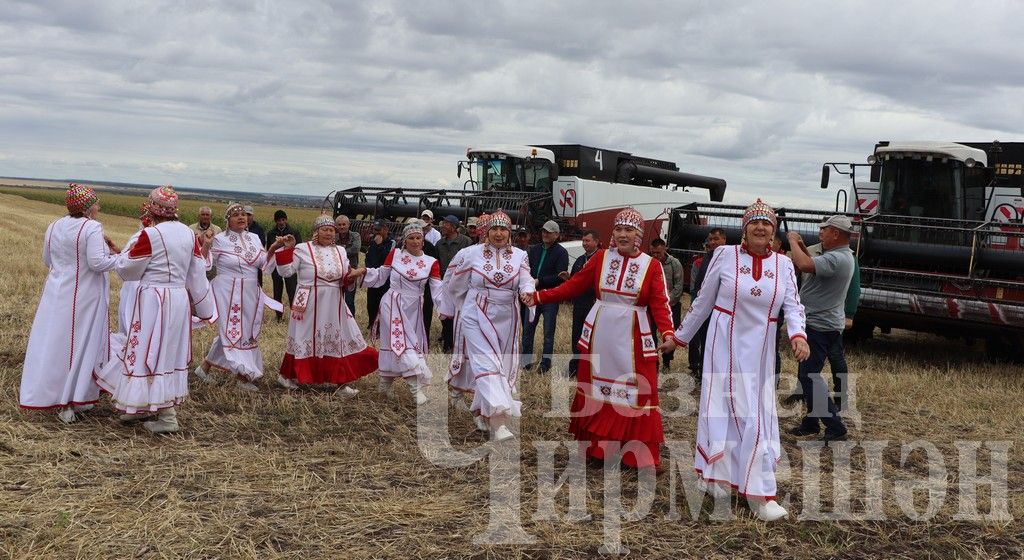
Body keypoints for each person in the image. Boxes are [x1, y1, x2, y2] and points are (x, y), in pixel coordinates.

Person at [662, 199, 809, 521]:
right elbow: (703, 300)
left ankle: (759, 493)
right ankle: (715, 475)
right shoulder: (725, 256)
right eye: (754, 223)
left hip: (759, 349)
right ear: (744, 228)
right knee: (720, 411)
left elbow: (794, 306)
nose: (760, 228)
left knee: (754, 415)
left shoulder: (784, 265)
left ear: (773, 232)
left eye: (766, 224)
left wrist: (798, 335)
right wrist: (680, 336)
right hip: (722, 343)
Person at [524, 208, 675, 471]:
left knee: (639, 391)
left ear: (639, 234)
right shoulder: (601, 258)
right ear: (613, 233)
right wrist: (540, 296)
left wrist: (669, 333)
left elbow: (660, 303)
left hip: (634, 338)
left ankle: (637, 456)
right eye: (619, 229)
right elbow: (573, 285)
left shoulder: (652, 266)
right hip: (599, 334)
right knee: (598, 389)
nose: (623, 234)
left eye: (630, 230)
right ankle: (599, 449)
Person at [95, 186, 217, 434]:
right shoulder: (188, 234)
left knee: (146, 350)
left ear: (151, 208)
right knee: (167, 352)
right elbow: (197, 274)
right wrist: (205, 308)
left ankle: (166, 416)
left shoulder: (150, 235)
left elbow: (129, 271)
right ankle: (138, 406)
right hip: (178, 299)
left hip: (153, 299)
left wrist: (120, 257)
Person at [20, 184, 119, 423]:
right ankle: (69, 400)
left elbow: (47, 259)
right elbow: (96, 263)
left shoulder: (54, 225)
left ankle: (70, 396)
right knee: (80, 345)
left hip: (55, 293)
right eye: (95, 203)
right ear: (86, 208)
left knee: (55, 344)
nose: (99, 207)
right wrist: (120, 258)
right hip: (83, 295)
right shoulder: (91, 227)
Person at [439, 210, 534, 442]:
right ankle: (499, 422)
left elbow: (525, 278)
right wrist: (460, 305)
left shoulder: (520, 255)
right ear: (487, 232)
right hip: (476, 312)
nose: (499, 233)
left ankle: (481, 412)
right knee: (486, 363)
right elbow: (453, 282)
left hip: (507, 316)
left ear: (509, 232)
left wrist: (527, 292)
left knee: (500, 364)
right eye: (494, 229)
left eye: (503, 229)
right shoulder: (471, 254)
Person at [274, 214, 378, 391]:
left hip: (333, 302)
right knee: (303, 339)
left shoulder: (340, 250)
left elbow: (345, 276)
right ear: (317, 231)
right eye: (325, 229)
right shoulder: (302, 248)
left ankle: (341, 383)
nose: (329, 233)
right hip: (307, 303)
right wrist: (287, 250)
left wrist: (352, 277)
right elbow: (286, 272)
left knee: (337, 339)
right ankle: (285, 377)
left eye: (331, 230)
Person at [193, 203, 290, 391]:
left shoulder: (254, 238)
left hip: (250, 290)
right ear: (227, 220)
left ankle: (204, 367)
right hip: (227, 290)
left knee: (242, 331)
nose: (241, 217)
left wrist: (275, 247)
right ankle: (244, 376)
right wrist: (205, 244)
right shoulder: (219, 239)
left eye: (243, 214)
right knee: (233, 330)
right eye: (235, 215)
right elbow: (203, 263)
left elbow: (264, 264)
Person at [349, 222, 443, 404]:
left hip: (414, 309)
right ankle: (416, 391)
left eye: (418, 238)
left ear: (423, 241)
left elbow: (438, 290)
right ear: (404, 240)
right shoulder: (396, 255)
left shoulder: (432, 263)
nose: (415, 241)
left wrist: (452, 306)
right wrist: (362, 272)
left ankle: (384, 387)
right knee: (402, 346)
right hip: (392, 304)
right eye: (411, 238)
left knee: (399, 346)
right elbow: (381, 275)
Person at [786, 215, 855, 443]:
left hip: (819, 326)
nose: (820, 232)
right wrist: (803, 246)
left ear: (835, 233)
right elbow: (811, 260)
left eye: (824, 229)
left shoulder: (837, 259)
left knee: (809, 377)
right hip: (822, 324)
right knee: (806, 374)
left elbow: (804, 264)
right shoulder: (839, 256)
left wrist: (793, 241)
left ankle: (835, 426)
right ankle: (810, 423)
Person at [521, 220, 568, 374]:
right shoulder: (534, 250)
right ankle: (526, 361)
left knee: (548, 332)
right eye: (543, 231)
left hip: (549, 296)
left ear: (556, 234)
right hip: (533, 295)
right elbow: (526, 269)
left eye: (548, 232)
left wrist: (540, 281)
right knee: (528, 329)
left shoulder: (561, 252)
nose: (545, 234)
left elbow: (560, 276)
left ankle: (545, 364)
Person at [687, 228, 727, 381]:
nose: (712, 242)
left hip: (721, 311)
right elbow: (697, 287)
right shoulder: (704, 260)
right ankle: (703, 373)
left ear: (724, 240)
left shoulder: (729, 260)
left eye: (716, 239)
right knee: (704, 342)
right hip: (704, 309)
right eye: (710, 239)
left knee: (718, 345)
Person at [565, 229, 600, 378]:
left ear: (596, 242)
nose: (584, 244)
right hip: (579, 305)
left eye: (588, 241)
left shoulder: (601, 259)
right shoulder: (580, 260)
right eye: (583, 241)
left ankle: (591, 370)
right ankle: (576, 368)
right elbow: (574, 281)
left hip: (594, 306)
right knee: (577, 337)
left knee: (592, 339)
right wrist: (567, 279)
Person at [436, 214, 472, 352]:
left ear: (454, 227)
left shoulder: (466, 242)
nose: (443, 226)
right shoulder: (440, 243)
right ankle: (447, 344)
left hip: (460, 285)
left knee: (459, 314)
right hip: (444, 284)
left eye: (446, 224)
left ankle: (459, 343)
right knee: (445, 314)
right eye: (443, 223)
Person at [649, 238, 685, 372]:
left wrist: (665, 302)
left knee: (669, 335)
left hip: (671, 306)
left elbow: (678, 287)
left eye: (658, 253)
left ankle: (667, 362)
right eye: (653, 253)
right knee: (651, 334)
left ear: (665, 249)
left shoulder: (675, 264)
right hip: (651, 307)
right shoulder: (649, 263)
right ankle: (653, 360)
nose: (655, 256)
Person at [265, 209, 302, 321]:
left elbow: (299, 248)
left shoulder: (294, 232)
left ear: (286, 219)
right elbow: (269, 251)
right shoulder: (271, 233)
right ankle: (278, 316)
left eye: (282, 219)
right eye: (278, 220)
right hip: (276, 266)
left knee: (292, 291)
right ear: (275, 221)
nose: (281, 222)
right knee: (277, 291)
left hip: (290, 265)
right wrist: (277, 245)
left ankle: (293, 315)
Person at [364, 220, 395, 330]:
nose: (376, 232)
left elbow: (386, 260)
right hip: (373, 277)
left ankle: (382, 327)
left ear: (385, 229)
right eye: (374, 229)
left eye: (378, 230)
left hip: (386, 279)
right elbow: (369, 258)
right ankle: (372, 324)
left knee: (384, 303)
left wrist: (379, 245)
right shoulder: (372, 242)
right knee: (371, 303)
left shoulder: (392, 243)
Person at [335, 214, 361, 315]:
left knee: (349, 301)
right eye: (339, 225)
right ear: (336, 226)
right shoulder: (334, 236)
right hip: (337, 272)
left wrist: (339, 250)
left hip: (351, 273)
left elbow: (355, 249)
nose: (342, 227)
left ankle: (351, 326)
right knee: (337, 301)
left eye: (344, 224)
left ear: (348, 225)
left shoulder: (356, 235)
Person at [245, 206, 266, 286]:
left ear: (253, 216)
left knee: (257, 287)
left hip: (255, 263)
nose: (247, 217)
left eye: (249, 215)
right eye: (245, 214)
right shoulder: (238, 229)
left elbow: (262, 244)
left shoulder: (259, 229)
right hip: (243, 264)